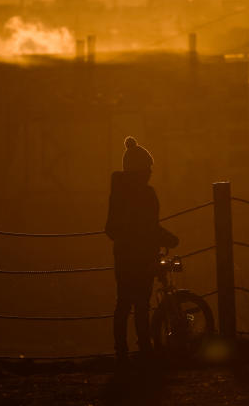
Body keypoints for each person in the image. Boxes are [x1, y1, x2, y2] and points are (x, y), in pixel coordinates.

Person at [105, 137, 177, 367]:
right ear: (141, 170)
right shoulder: (147, 194)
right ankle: (145, 349)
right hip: (144, 256)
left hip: (124, 256)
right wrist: (168, 239)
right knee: (142, 304)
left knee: (124, 303)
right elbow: (151, 226)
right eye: (148, 168)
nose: (150, 172)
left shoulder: (118, 193)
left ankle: (122, 351)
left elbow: (111, 228)